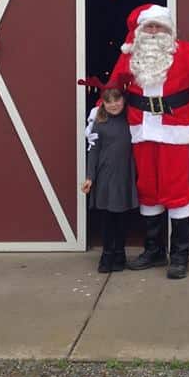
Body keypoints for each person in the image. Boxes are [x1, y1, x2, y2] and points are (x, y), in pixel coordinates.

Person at [108, 4, 189, 279]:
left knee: (175, 192)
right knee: (148, 189)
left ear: (168, 30)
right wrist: (99, 112)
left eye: (158, 26)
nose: (152, 31)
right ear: (140, 30)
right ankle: (153, 250)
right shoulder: (131, 55)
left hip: (174, 130)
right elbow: (114, 85)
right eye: (148, 27)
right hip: (141, 129)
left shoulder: (184, 52)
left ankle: (180, 255)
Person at [80, 85, 138, 274]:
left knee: (122, 217)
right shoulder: (99, 121)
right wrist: (90, 176)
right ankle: (107, 254)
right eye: (108, 101)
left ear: (123, 100)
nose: (113, 105)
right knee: (107, 218)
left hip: (125, 175)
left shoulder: (132, 119)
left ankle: (120, 253)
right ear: (103, 104)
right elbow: (94, 151)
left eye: (117, 100)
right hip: (105, 176)